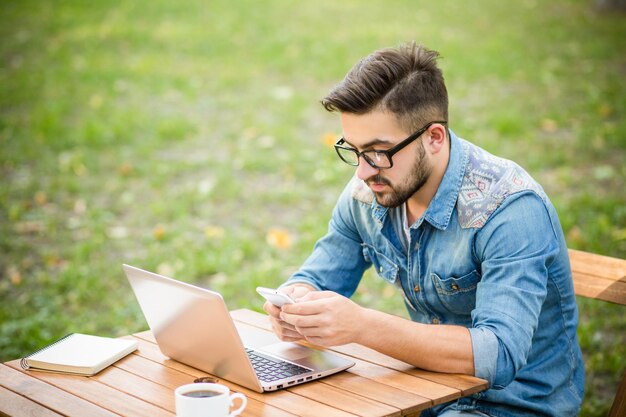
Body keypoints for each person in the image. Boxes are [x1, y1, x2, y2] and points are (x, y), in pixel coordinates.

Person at [263, 42, 584, 417]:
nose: (362, 171)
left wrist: (362, 326)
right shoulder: (370, 191)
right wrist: (294, 302)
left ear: (434, 137)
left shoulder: (509, 210)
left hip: (515, 406)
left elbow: (498, 355)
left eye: (378, 152)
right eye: (352, 150)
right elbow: (318, 276)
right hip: (422, 393)